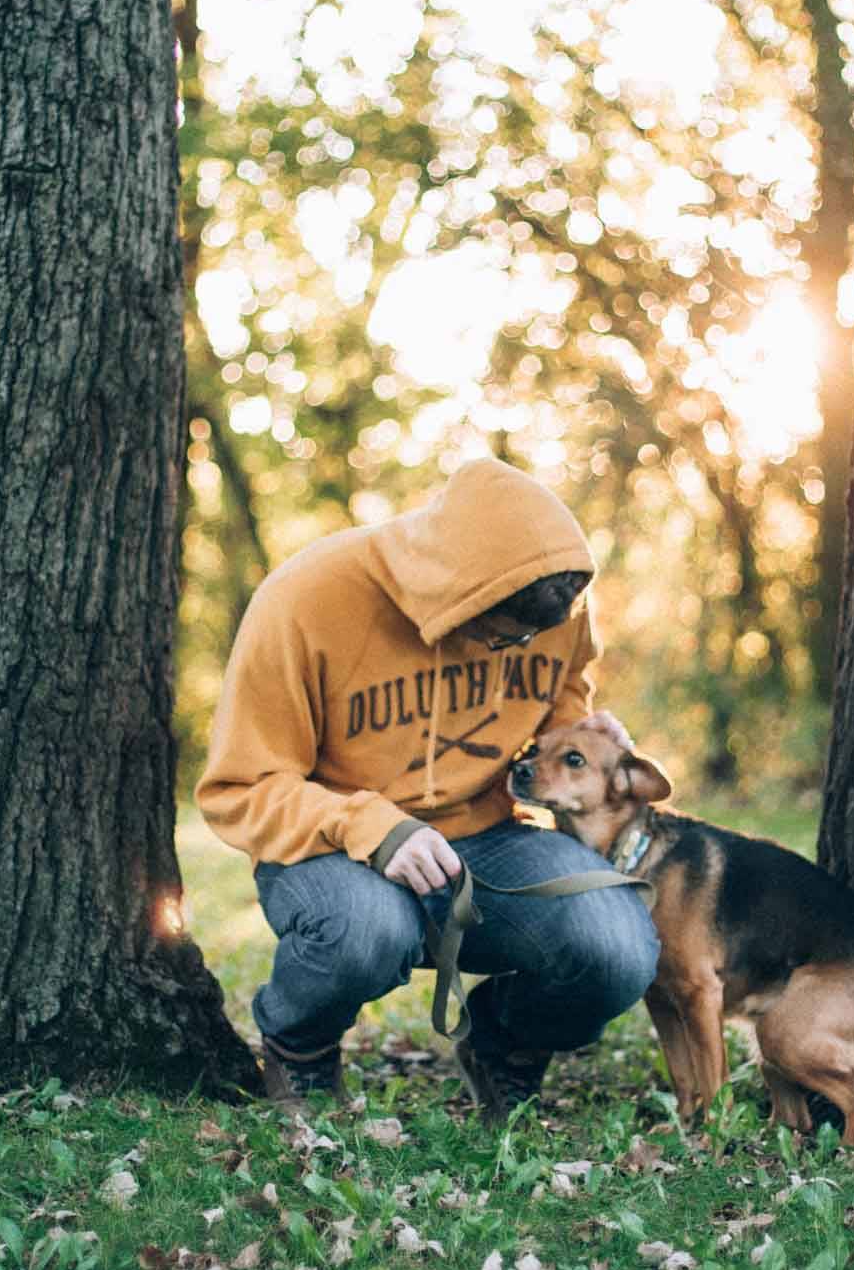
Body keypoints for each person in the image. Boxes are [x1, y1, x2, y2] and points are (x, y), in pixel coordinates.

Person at [196, 457, 659, 1117]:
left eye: (535, 637)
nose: (524, 646)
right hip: (332, 846)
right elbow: (242, 785)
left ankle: (503, 1045)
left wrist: (581, 737)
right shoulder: (304, 599)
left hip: (488, 837)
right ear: (459, 600)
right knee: (364, 930)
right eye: (508, 637)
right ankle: (300, 1052)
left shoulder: (557, 609)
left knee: (617, 948)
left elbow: (556, 705)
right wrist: (372, 828)